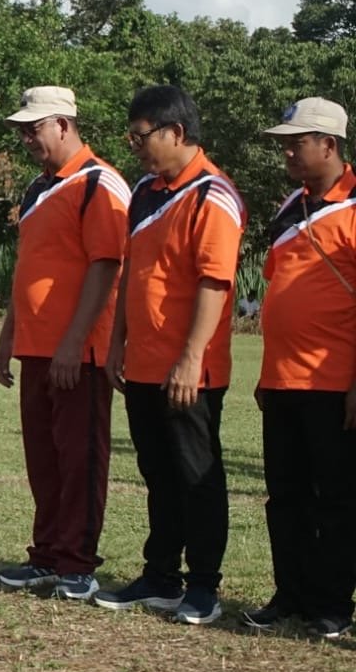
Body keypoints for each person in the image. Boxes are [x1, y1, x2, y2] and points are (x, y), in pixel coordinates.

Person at [96, 86, 244, 625]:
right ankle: (160, 575)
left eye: (141, 137)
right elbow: (133, 272)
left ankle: (203, 584)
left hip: (189, 368)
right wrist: (117, 341)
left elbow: (214, 282)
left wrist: (190, 358)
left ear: (175, 133)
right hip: (142, 360)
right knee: (158, 473)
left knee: (196, 475)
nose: (135, 147)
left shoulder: (213, 195)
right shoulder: (145, 190)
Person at [0, 86, 129, 601]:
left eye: (34, 129)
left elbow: (106, 265)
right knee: (44, 458)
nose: (27, 139)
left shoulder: (98, 183)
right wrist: (8, 334)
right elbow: (28, 266)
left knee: (79, 458)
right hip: (35, 344)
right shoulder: (38, 187)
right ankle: (46, 554)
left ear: (64, 125)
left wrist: (74, 341)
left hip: (79, 351)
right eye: (22, 132)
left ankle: (77, 562)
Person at [246, 97, 356, 639]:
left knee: (336, 499)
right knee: (285, 496)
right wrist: (267, 373)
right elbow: (280, 288)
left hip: (334, 382)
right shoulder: (291, 206)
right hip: (283, 378)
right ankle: (289, 594)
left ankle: (331, 604)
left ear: (329, 145)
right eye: (284, 144)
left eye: (297, 143)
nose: (287, 152)